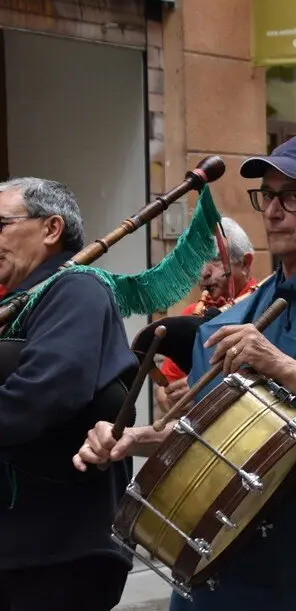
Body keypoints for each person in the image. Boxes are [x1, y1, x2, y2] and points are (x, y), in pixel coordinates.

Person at [74, 135, 296, 611]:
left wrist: (282, 366)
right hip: (235, 561)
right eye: (267, 195)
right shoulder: (252, 308)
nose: (272, 211)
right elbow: (215, 433)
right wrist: (133, 440)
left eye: (293, 196)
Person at [0, 177, 137, 610]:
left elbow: (46, 391)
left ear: (51, 228)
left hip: (57, 551)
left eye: (1, 223)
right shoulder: (19, 302)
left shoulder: (75, 288)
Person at [154, 217, 259, 415]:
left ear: (245, 264)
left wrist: (201, 384)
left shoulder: (265, 308)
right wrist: (168, 397)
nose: (204, 272)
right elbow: (166, 387)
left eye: (215, 259)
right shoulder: (192, 315)